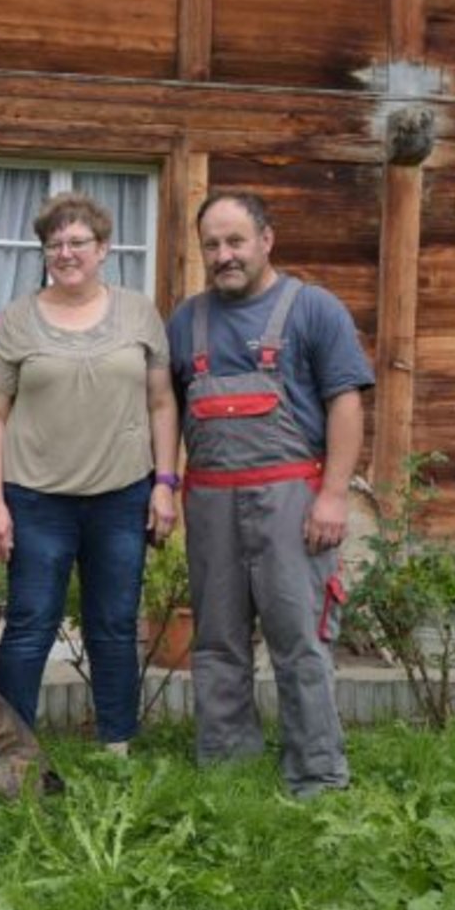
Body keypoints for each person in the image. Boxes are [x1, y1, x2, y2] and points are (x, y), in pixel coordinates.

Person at [167, 191, 374, 798]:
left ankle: (316, 773)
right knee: (217, 641)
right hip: (209, 501)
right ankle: (227, 766)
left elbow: (346, 403)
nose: (224, 255)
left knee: (298, 641)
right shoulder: (188, 320)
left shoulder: (314, 310)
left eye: (235, 241)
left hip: (291, 499)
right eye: (212, 245)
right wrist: (163, 484)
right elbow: (164, 410)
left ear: (266, 240)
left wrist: (333, 495)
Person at [0, 191, 179, 755]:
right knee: (29, 625)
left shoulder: (138, 313)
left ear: (104, 248)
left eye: (77, 242)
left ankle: (117, 745)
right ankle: (9, 749)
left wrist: (165, 484)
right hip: (36, 499)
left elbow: (162, 404)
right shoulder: (16, 320)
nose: (65, 253)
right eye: (53, 244)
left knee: (113, 624)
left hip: (122, 495)